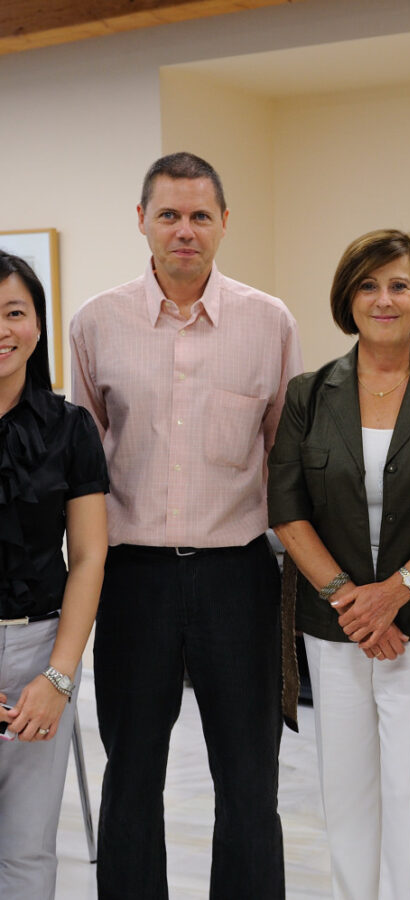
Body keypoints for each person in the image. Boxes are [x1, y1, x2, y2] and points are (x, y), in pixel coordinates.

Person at [70, 152, 301, 899]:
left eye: (200, 215)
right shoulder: (96, 322)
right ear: (142, 220)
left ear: (224, 223)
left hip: (239, 576)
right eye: (168, 214)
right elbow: (82, 464)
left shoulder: (269, 322)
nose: (184, 230)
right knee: (132, 777)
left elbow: (285, 457)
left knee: (250, 780)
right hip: (132, 579)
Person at [268, 229, 410, 900]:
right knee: (345, 792)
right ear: (348, 298)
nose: (384, 299)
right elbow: (287, 510)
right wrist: (353, 600)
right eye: (368, 285)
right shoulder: (309, 394)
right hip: (333, 622)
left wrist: (394, 592)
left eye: (400, 285)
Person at [0, 251, 108, 898]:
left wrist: (59, 677)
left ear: (38, 325)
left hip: (41, 648)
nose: (2, 329)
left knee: (28, 849)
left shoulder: (71, 429)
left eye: (14, 312)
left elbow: (89, 555)